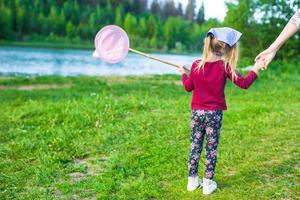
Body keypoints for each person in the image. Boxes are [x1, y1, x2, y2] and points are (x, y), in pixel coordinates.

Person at [178, 27, 266, 195]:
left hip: (197, 113)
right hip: (214, 114)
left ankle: (192, 181)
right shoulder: (225, 66)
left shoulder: (196, 65)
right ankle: (208, 183)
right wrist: (255, 69)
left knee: (195, 146)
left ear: (209, 44)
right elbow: (244, 83)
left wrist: (183, 74)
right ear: (226, 48)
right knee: (211, 148)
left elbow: (188, 87)